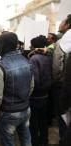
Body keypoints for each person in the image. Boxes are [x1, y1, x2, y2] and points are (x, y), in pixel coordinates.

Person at [0, 32, 33, 146]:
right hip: (25, 108)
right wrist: (24, 99)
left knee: (8, 141)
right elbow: (31, 86)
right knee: (26, 138)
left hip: (9, 112)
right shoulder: (27, 61)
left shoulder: (0, 67)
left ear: (2, 45)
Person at [29, 35, 52, 146]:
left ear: (34, 46)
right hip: (46, 93)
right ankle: (45, 140)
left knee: (34, 121)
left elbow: (35, 80)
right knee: (43, 120)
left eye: (31, 45)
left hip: (35, 95)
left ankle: (35, 142)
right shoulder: (47, 57)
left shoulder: (33, 59)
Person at [52, 14, 71, 142]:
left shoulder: (63, 42)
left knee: (64, 116)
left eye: (62, 20)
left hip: (64, 86)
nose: (60, 23)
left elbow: (57, 67)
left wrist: (58, 81)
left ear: (67, 24)